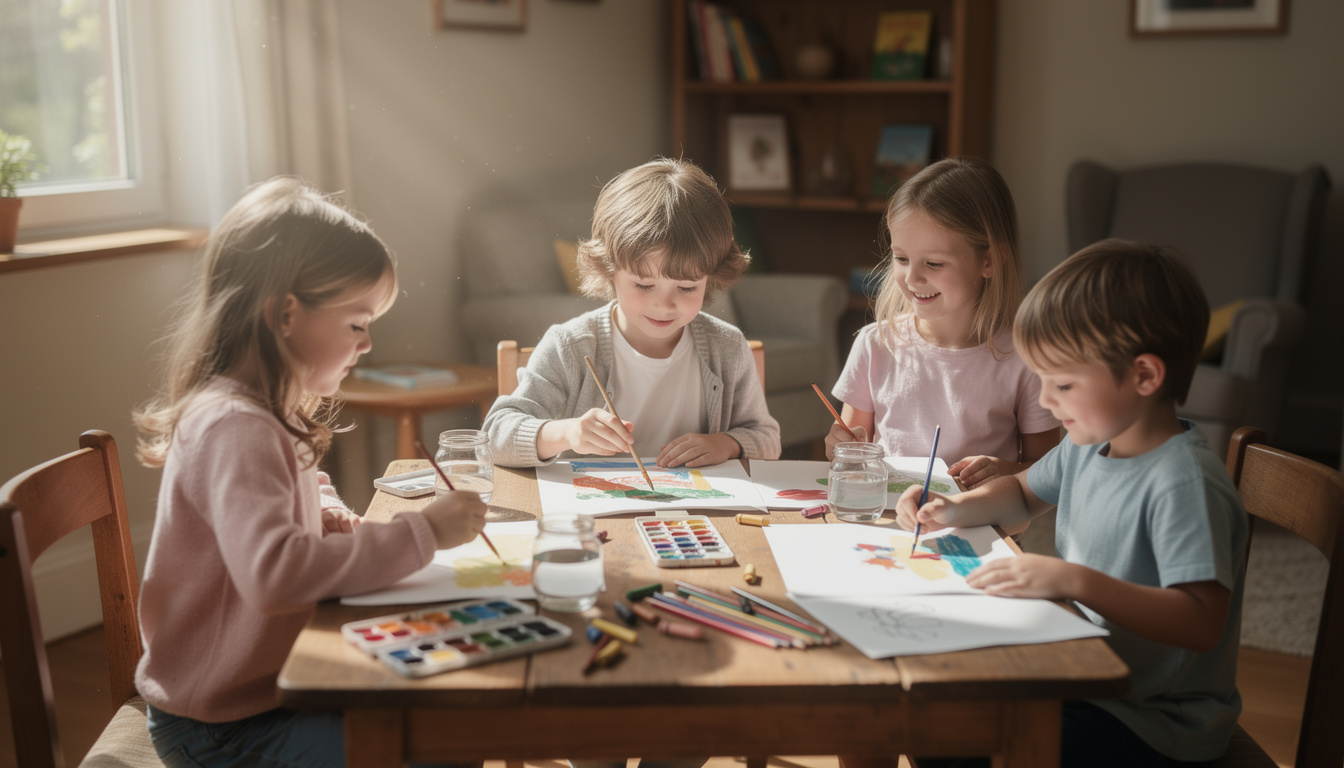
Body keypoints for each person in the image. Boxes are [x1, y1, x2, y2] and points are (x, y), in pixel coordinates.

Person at [132, 177, 488, 768]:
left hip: (266, 691)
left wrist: (329, 520)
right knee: (438, 745)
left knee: (442, 718)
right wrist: (421, 534)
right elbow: (275, 574)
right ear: (287, 315)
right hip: (223, 727)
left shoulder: (261, 411)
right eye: (356, 322)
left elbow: (285, 503)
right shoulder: (235, 426)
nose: (368, 342)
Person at [895, 240, 1248, 767]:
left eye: (1062, 383)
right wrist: (953, 508)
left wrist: (1074, 581)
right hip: (1082, 671)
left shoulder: (1184, 483)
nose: (1044, 401)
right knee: (932, 717)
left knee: (954, 743)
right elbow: (1020, 493)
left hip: (1154, 722)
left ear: (1145, 376)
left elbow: (1200, 621)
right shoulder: (1088, 443)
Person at [483, 157, 781, 469]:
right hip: (594, 514)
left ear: (711, 279)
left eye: (688, 287)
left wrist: (727, 444)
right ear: (609, 271)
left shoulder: (728, 348)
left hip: (696, 513)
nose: (664, 305)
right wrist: (566, 433)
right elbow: (493, 437)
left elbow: (767, 439)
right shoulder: (571, 346)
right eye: (643, 284)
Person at [825, 156, 1059, 489]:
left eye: (934, 263)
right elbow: (849, 448)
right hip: (889, 524)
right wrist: (839, 447)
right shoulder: (874, 344)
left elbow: (1050, 473)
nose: (912, 277)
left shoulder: (1026, 359)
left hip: (980, 530)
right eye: (902, 258)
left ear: (989, 260)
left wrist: (1003, 470)